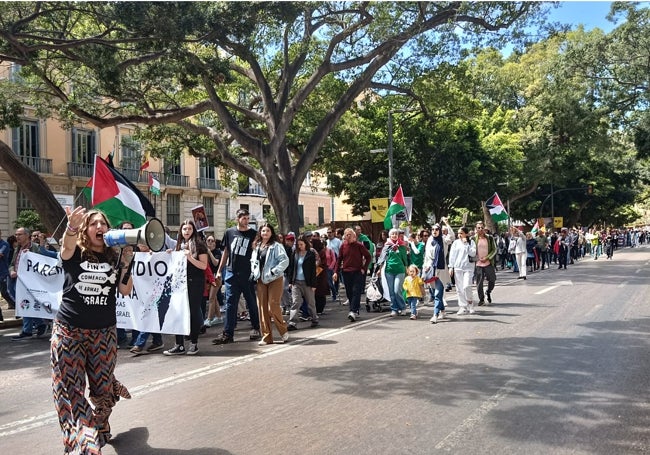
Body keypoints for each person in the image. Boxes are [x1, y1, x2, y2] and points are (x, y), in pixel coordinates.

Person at [51, 207, 133, 453]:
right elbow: (65, 246)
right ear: (86, 230)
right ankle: (84, 445)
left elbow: (125, 290)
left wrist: (127, 263)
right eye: (93, 223)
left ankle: (101, 421)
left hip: (103, 334)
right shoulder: (74, 251)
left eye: (103, 223)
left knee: (103, 392)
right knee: (70, 392)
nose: (99, 227)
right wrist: (71, 227)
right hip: (69, 333)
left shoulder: (114, 257)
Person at [213, 208, 261, 345]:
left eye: (247, 218)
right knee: (230, 303)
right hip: (231, 272)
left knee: (251, 301)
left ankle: (255, 327)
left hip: (247, 273)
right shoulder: (229, 233)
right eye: (243, 218)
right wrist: (219, 270)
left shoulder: (253, 234)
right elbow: (226, 252)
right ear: (238, 219)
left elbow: (257, 252)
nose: (246, 220)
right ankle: (228, 332)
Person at [163, 219, 209, 355]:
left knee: (193, 312)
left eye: (189, 229)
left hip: (195, 282)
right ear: (181, 231)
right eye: (184, 229)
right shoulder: (179, 245)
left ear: (193, 230)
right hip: (180, 283)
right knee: (178, 312)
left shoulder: (199, 245)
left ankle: (193, 343)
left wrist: (189, 257)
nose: (187, 231)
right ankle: (179, 344)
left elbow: (203, 265)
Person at [249, 223, 290, 345]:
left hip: (274, 279)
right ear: (260, 233)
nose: (265, 233)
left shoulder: (276, 246)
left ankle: (283, 331)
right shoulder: (256, 246)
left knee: (272, 306)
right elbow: (253, 261)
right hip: (261, 279)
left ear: (271, 233)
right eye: (263, 231)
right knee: (262, 308)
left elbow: (284, 261)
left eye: (267, 231)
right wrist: (253, 272)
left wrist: (274, 271)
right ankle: (267, 336)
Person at [10, 226, 47, 340]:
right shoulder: (18, 249)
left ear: (27, 235)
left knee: (24, 304)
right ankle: (40, 324)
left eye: (19, 234)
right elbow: (12, 263)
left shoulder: (34, 248)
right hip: (18, 281)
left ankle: (27, 330)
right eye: (16, 234)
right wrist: (11, 270)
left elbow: (42, 262)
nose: (17, 237)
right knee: (25, 304)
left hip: (31, 282)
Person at [333, 228, 370, 322]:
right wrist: (335, 272)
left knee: (356, 291)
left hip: (357, 271)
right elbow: (339, 259)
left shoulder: (359, 245)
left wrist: (364, 268)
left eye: (350, 235)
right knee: (349, 292)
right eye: (346, 235)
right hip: (346, 272)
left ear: (354, 236)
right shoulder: (343, 246)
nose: (348, 236)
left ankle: (353, 311)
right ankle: (354, 309)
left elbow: (368, 256)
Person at [287, 234, 319, 331]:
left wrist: (314, 284)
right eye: (298, 244)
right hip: (296, 281)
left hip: (307, 282)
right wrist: (290, 281)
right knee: (296, 302)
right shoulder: (294, 253)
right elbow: (291, 268)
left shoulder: (310, 254)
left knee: (310, 302)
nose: (299, 246)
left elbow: (313, 270)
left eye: (301, 244)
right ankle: (292, 322)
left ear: (305, 244)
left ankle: (314, 319)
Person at [376, 228, 408, 317]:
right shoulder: (386, 246)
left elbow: (405, 258)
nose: (394, 235)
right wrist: (379, 269)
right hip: (389, 271)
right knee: (391, 292)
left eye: (395, 234)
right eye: (392, 234)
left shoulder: (402, 246)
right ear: (389, 236)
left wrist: (407, 268)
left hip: (400, 270)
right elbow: (382, 258)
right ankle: (394, 309)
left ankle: (403, 307)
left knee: (397, 290)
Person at [448, 226, 477, 315]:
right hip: (458, 268)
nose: (459, 235)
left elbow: (473, 253)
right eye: (459, 233)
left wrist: (466, 245)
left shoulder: (471, 242)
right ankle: (462, 306)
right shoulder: (456, 243)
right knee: (459, 288)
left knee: (466, 286)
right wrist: (451, 267)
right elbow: (452, 255)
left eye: (461, 233)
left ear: (466, 234)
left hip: (468, 268)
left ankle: (470, 304)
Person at [423, 224, 446, 323]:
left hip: (441, 269)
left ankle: (435, 314)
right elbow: (427, 256)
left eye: (436, 229)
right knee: (436, 293)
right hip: (431, 268)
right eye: (432, 229)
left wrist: (447, 224)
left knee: (438, 293)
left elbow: (452, 236)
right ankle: (442, 310)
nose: (434, 231)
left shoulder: (444, 240)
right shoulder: (429, 240)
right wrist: (426, 266)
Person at [473, 222, 497, 306]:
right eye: (478, 228)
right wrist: (477, 258)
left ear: (484, 229)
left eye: (482, 227)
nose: (480, 229)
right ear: (476, 229)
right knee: (479, 282)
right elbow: (471, 251)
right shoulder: (473, 239)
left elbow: (494, 250)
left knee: (492, 279)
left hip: (488, 262)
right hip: (478, 263)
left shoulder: (490, 238)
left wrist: (487, 258)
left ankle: (488, 291)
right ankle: (481, 299)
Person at [203, 236, 224, 327]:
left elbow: (216, 262)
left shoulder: (217, 252)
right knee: (214, 298)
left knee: (211, 298)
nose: (210, 242)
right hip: (208, 278)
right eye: (208, 240)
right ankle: (219, 317)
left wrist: (209, 252)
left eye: (212, 241)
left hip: (216, 278)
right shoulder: (204, 252)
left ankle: (209, 319)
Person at [0, 229, 15, 317]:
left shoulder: (4, 244)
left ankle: (15, 304)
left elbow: (0, 254)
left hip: (2, 273)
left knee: (4, 292)